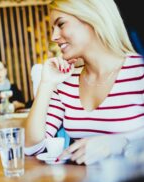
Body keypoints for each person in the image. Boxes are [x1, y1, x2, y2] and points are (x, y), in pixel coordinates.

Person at [24, 0, 144, 165]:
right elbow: (31, 147)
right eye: (52, 29)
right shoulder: (66, 82)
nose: (53, 37)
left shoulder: (139, 71)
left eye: (61, 24)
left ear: (92, 19)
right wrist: (46, 84)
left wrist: (122, 143)